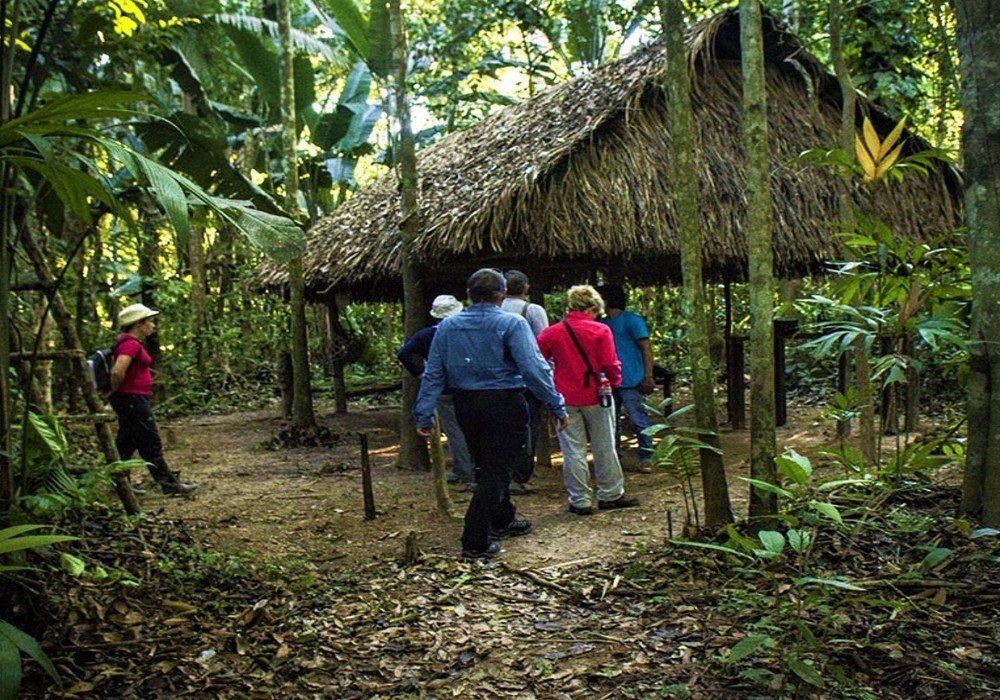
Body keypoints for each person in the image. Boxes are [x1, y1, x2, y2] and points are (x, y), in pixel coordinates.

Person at [414, 269, 569, 560]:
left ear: (470, 295)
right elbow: (533, 369)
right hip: (504, 403)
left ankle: (503, 518)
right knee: (497, 471)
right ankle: (475, 540)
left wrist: (423, 412)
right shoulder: (513, 323)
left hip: (466, 405)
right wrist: (555, 404)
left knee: (487, 465)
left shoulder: (447, 327)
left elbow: (433, 372)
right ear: (502, 294)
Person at [537, 285, 640, 515]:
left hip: (564, 398)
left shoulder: (551, 333)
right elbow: (611, 365)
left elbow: (539, 362)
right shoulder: (600, 331)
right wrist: (613, 383)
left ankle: (580, 500)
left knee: (572, 450)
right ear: (592, 308)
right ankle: (610, 493)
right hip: (597, 395)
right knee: (604, 446)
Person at [108, 303, 198, 495]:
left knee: (127, 442)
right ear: (138, 324)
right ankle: (169, 484)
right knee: (150, 441)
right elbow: (117, 371)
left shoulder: (126, 342)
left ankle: (120, 486)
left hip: (131, 398)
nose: (153, 325)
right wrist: (118, 392)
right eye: (149, 321)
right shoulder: (130, 344)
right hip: (132, 399)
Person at [397, 294, 475, 488]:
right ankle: (468, 469)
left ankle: (464, 470)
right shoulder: (465, 331)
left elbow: (404, 353)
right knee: (469, 428)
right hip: (468, 386)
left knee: (455, 431)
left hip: (442, 389)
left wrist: (420, 374)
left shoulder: (426, 335)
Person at [597, 284, 656, 472]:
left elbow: (646, 348)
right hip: (608, 380)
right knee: (609, 420)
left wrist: (648, 375)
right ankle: (613, 456)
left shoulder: (632, 321)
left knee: (638, 418)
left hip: (631, 379)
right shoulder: (601, 323)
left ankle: (647, 456)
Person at [501, 270, 549, 494]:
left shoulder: (492, 309)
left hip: (497, 380)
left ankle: (502, 472)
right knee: (527, 427)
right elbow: (544, 346)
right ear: (526, 288)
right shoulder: (532, 310)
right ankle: (519, 475)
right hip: (526, 381)